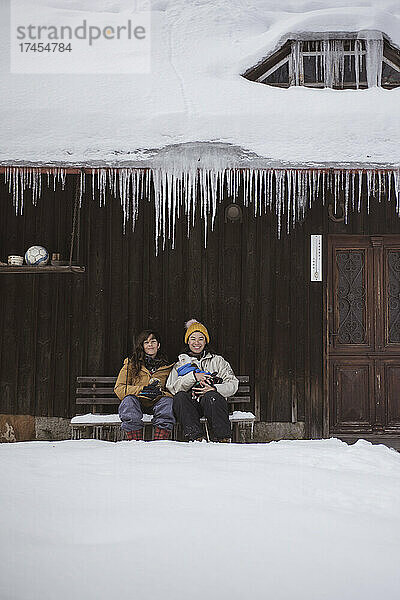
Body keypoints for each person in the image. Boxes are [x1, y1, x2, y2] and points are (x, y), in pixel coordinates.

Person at [167, 319, 238, 442]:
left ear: (206, 341)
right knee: (180, 397)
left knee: (211, 396)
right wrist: (193, 377)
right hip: (191, 406)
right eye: (193, 338)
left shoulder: (218, 361)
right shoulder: (180, 364)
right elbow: (172, 388)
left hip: (213, 404)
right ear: (187, 341)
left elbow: (233, 383)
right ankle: (196, 438)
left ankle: (224, 439)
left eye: (201, 338)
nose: (197, 343)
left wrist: (215, 388)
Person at [115, 330, 175, 440]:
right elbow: (119, 388)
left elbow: (174, 390)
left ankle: (160, 442)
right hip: (137, 403)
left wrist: (160, 393)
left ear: (158, 345)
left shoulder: (168, 367)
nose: (150, 345)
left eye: (153, 341)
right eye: (146, 342)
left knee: (168, 402)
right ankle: (135, 441)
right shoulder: (131, 364)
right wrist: (142, 390)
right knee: (128, 401)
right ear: (142, 346)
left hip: (157, 404)